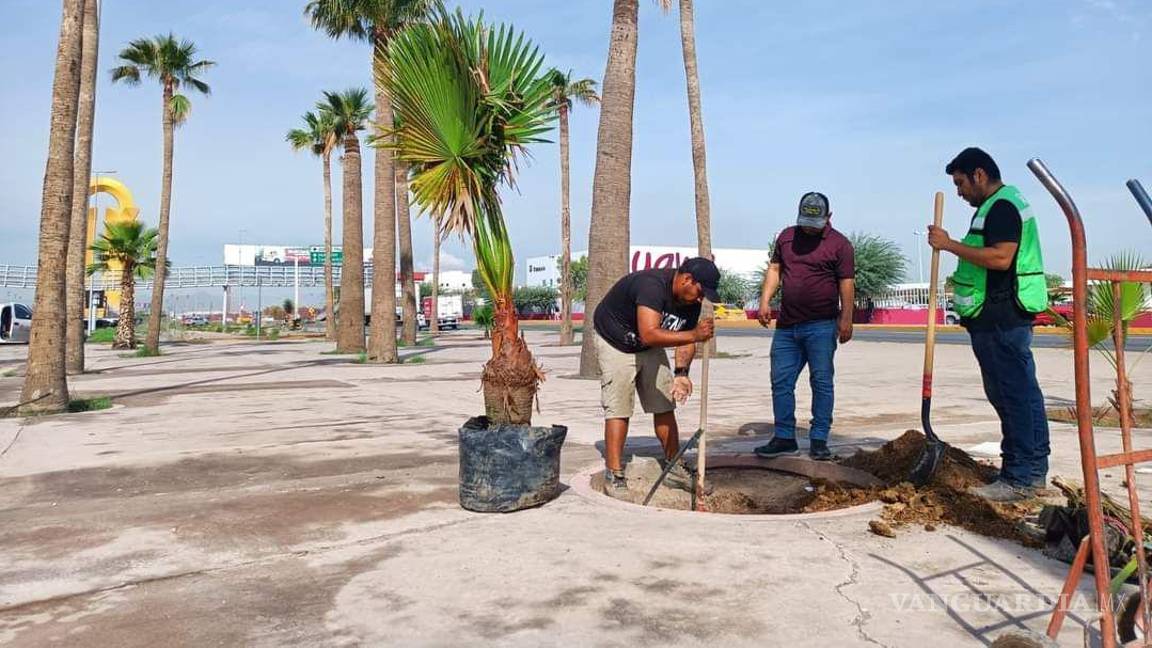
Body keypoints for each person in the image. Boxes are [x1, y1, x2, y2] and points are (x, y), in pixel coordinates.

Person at [928, 147, 1050, 502]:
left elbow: (1000, 258)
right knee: (1020, 395)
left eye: (960, 183)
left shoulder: (1001, 207)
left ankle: (1019, 477)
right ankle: (1030, 471)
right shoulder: (998, 206)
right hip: (997, 318)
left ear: (979, 175)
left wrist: (949, 245)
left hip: (1002, 319)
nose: (959, 191)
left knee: (1013, 396)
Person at [593, 257, 718, 496]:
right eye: (701, 292)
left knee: (664, 403)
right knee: (619, 407)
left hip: (648, 344)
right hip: (616, 341)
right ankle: (614, 473)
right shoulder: (651, 286)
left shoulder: (691, 301)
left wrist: (681, 374)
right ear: (687, 279)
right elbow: (650, 334)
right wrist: (695, 334)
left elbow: (686, 338)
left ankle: (673, 468)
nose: (701, 299)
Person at [755, 192, 855, 461]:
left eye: (815, 223)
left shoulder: (840, 245)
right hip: (787, 327)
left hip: (821, 326)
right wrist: (764, 301)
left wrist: (846, 318)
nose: (809, 228)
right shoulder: (787, 237)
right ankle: (784, 437)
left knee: (821, 382)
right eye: (806, 222)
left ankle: (819, 439)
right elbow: (775, 269)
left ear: (829, 217)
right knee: (781, 382)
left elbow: (846, 283)